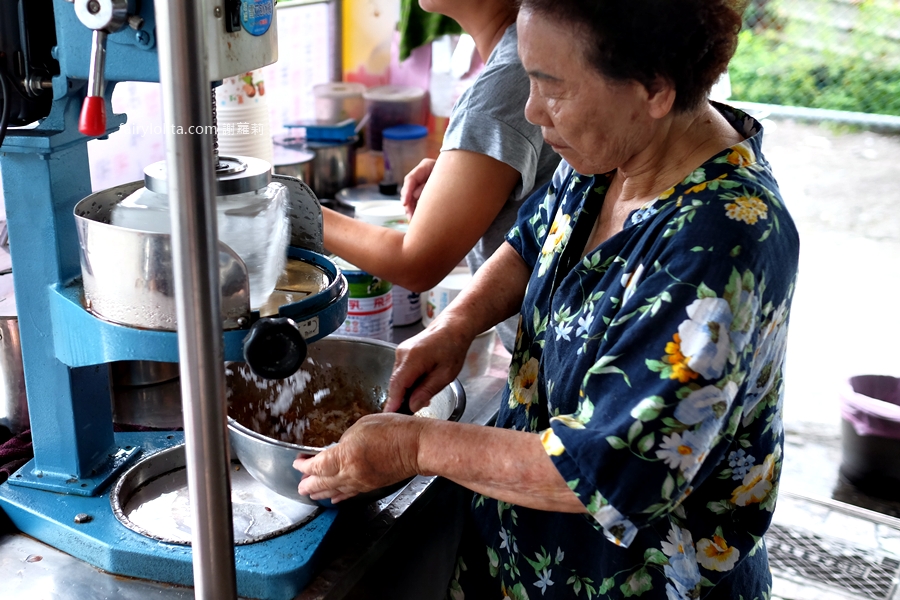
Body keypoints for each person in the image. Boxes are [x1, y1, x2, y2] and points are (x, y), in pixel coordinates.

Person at [296, 0, 799, 597]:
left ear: (654, 90)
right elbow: (534, 241)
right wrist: (457, 324)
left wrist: (415, 443)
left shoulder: (719, 242)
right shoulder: (613, 151)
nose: (532, 111)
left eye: (551, 88)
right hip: (527, 562)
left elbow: (608, 471)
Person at [321, 0, 560, 350]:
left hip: (551, 358)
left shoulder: (508, 80)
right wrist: (461, 169)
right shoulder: (520, 57)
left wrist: (292, 209)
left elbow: (415, 264)